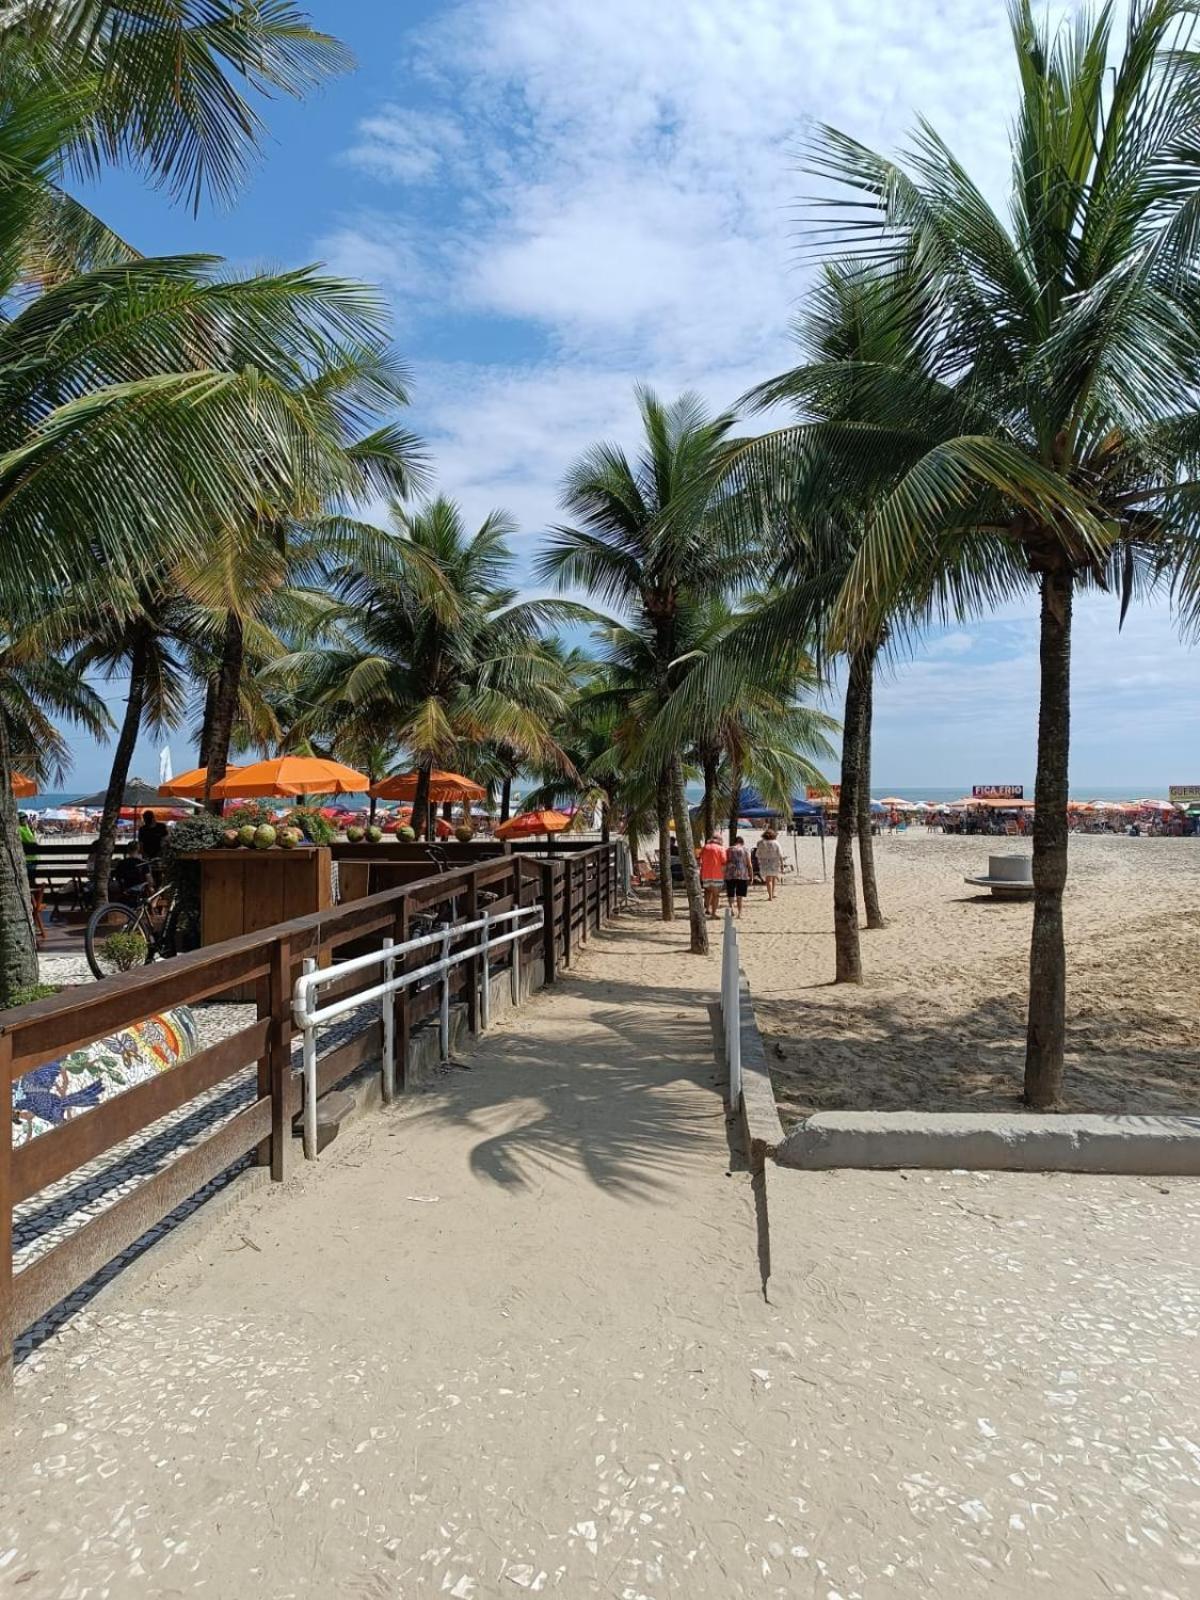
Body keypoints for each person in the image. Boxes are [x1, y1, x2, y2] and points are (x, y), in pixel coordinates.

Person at [698, 834, 727, 919]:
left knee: (707, 892)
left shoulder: (705, 847)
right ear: (719, 840)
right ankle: (713, 913)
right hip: (716, 874)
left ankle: (707, 909)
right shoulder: (721, 848)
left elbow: (700, 859)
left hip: (705, 874)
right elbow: (724, 861)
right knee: (716, 895)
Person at [723, 834, 752, 917]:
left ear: (735, 842)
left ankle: (732, 908)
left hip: (730, 874)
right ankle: (739, 913)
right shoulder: (745, 849)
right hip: (742, 874)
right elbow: (749, 864)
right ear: (742, 843)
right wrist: (751, 875)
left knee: (731, 893)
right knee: (740, 895)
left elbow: (725, 862)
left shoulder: (728, 849)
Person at [756, 827, 784, 901]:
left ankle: (770, 896)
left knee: (768, 880)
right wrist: (782, 865)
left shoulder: (761, 843)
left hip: (765, 863)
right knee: (773, 878)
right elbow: (780, 854)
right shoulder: (776, 843)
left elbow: (757, 854)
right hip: (775, 862)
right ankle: (773, 893)